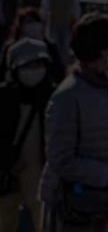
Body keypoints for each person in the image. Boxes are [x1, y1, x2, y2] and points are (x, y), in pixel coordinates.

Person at [40, 13, 108, 232]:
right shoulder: (67, 97)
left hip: (106, 206)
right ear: (102, 49)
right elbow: (61, 159)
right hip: (72, 208)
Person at [0, 39, 57, 232]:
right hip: (7, 174)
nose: (35, 70)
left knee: (44, 222)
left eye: (39, 64)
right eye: (29, 65)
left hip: (40, 173)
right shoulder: (4, 97)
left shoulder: (54, 97)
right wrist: (7, 160)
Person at [0, 7, 65, 84]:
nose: (33, 26)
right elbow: (3, 72)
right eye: (28, 22)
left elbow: (58, 72)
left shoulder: (50, 47)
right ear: (20, 26)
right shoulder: (10, 47)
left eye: (36, 22)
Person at [41, 0, 81, 66]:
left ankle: (62, 66)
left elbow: (76, 10)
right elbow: (44, 10)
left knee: (64, 48)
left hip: (66, 25)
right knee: (56, 47)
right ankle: (58, 65)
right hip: (54, 24)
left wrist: (75, 21)